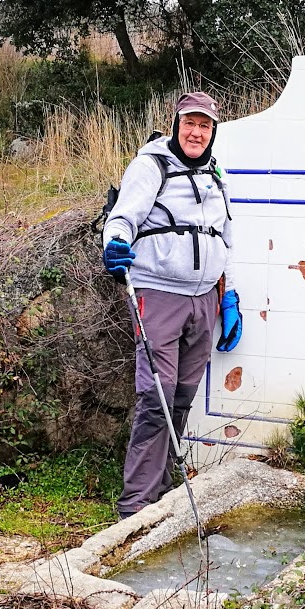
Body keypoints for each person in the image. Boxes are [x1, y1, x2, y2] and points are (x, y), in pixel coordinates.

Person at [102, 90, 243, 518]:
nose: (196, 132)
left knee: (181, 395)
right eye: (190, 124)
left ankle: (162, 491)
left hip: (204, 299)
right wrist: (114, 244)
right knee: (155, 395)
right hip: (158, 294)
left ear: (213, 131)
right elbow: (123, 217)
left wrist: (230, 294)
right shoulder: (152, 165)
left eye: (204, 125)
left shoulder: (216, 174)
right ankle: (135, 506)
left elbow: (225, 239)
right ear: (177, 124)